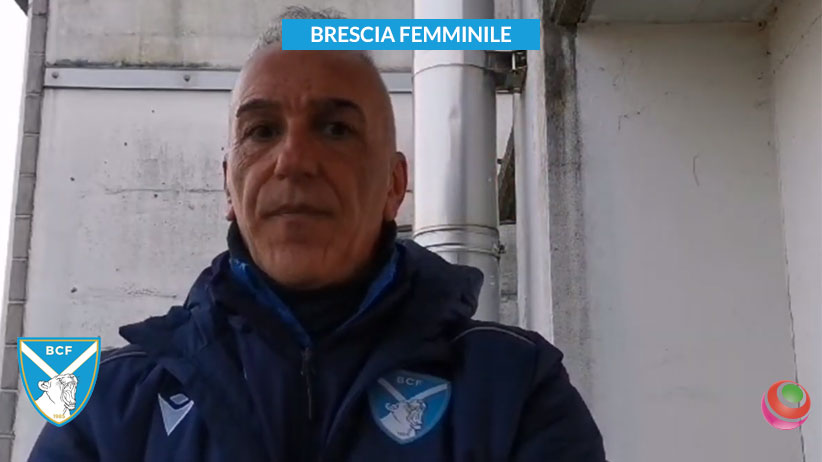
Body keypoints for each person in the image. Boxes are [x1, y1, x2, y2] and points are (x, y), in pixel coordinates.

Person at [30, 6, 605, 461]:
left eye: (335, 129)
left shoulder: (514, 391)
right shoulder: (107, 409)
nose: (293, 161)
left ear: (394, 185)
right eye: (262, 131)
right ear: (228, 185)